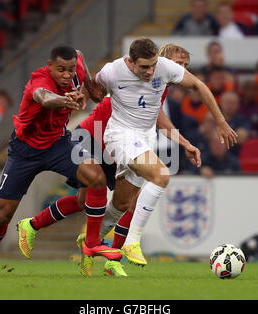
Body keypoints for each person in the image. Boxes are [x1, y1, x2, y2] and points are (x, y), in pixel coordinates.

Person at [17, 43, 202, 277]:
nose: (183, 70)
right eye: (179, 64)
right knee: (94, 199)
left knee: (121, 202)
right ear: (161, 62)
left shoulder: (158, 87)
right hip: (93, 136)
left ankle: (107, 255)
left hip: (115, 147)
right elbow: (152, 116)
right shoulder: (139, 79)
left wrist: (184, 143)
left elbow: (157, 118)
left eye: (186, 65)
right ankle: (38, 228)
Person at [0, 46, 121, 276]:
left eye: (70, 70)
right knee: (4, 214)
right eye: (60, 70)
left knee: (96, 177)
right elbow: (44, 98)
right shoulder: (39, 80)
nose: (67, 75)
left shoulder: (75, 65)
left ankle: (91, 243)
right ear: (49, 66)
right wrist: (66, 99)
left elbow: (79, 54)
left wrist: (87, 83)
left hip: (58, 144)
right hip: (25, 151)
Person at [95, 38, 237, 267]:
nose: (151, 72)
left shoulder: (164, 71)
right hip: (118, 135)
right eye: (144, 67)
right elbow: (93, 91)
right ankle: (132, 242)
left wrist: (217, 123)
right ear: (131, 62)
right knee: (161, 175)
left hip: (144, 140)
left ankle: (91, 240)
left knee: (121, 204)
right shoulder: (112, 71)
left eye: (153, 66)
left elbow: (199, 86)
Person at [219, 91, 251, 157]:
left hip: (234, 156)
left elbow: (242, 137)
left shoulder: (242, 120)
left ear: (238, 105)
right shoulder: (212, 118)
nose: (229, 105)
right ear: (221, 103)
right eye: (227, 102)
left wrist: (218, 137)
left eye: (233, 103)